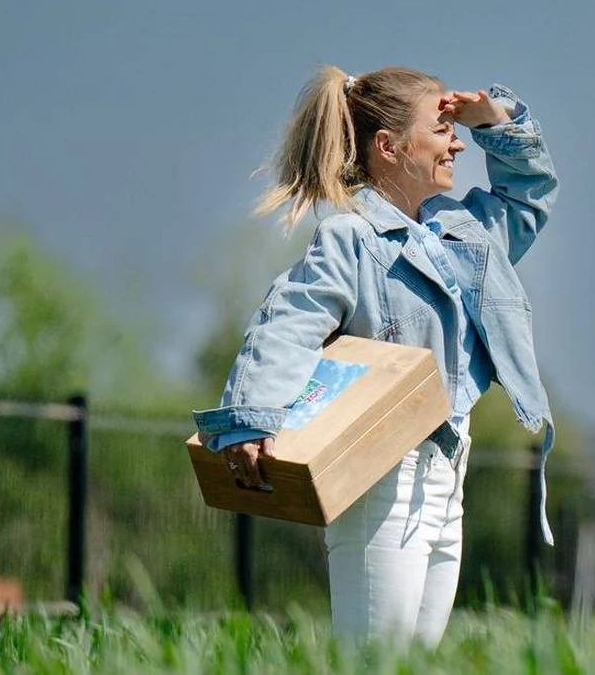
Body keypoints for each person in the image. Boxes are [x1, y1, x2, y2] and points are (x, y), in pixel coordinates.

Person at [193, 65, 558, 645]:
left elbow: (529, 198)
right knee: (376, 658)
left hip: (448, 471)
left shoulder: (464, 233)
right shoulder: (351, 237)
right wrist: (249, 419)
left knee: (416, 658)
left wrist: (500, 121)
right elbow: (287, 322)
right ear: (388, 147)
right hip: (384, 468)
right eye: (440, 130)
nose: (457, 140)